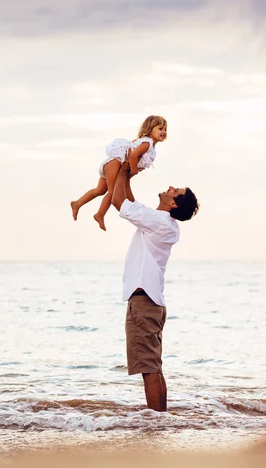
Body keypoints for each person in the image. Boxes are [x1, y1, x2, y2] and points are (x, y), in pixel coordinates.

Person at [111, 158, 199, 412]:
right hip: (153, 303)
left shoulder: (158, 222)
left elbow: (119, 203)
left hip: (143, 302)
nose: (171, 187)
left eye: (176, 191)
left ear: (172, 204)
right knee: (154, 368)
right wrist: (126, 177)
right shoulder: (163, 223)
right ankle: (161, 418)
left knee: (148, 369)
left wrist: (124, 169)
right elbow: (131, 203)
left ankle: (155, 422)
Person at [70, 115, 167, 231]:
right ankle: (100, 214)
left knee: (100, 190)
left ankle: (77, 203)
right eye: (160, 128)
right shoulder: (147, 143)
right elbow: (134, 155)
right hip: (115, 163)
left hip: (112, 164)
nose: (164, 132)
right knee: (112, 192)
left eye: (165, 129)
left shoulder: (147, 144)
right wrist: (134, 170)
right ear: (150, 129)